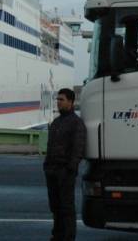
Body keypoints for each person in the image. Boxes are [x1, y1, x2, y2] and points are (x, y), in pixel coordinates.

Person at [44, 88, 86, 241]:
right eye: (58, 99)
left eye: (61, 100)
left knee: (66, 207)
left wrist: (70, 169)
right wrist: (46, 166)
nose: (58, 102)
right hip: (52, 170)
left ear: (71, 102)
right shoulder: (56, 122)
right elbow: (50, 147)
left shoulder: (76, 123)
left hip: (64, 172)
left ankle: (68, 238)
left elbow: (78, 148)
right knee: (55, 206)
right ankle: (57, 235)